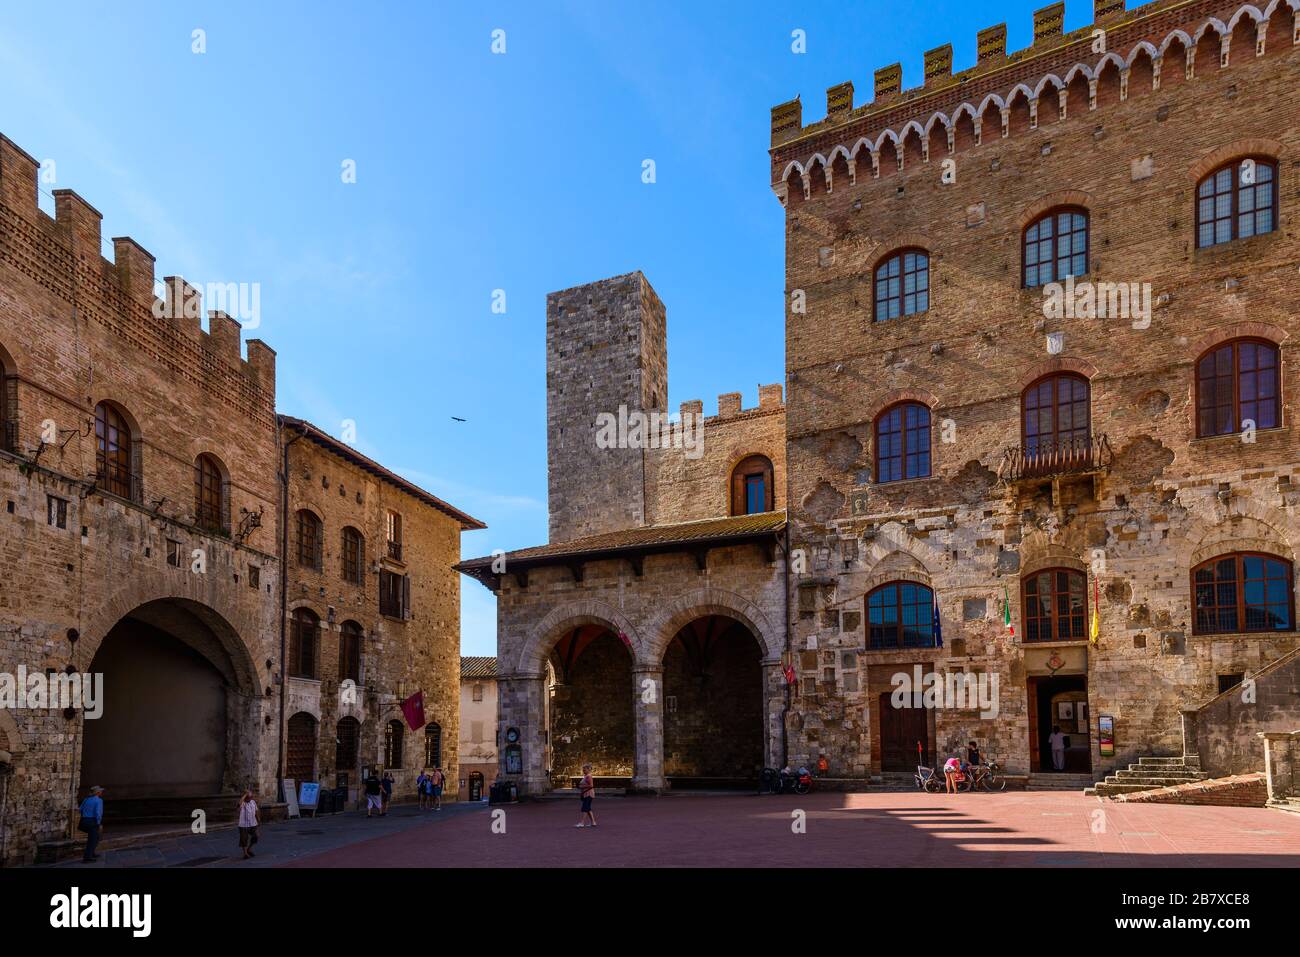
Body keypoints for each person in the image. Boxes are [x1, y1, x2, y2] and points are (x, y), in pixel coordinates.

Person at [78, 785, 104, 863]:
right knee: (93, 839)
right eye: (100, 791)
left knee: (94, 837)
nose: (101, 792)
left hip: (84, 821)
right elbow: (98, 813)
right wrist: (98, 823)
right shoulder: (99, 800)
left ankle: (92, 853)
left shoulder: (86, 800)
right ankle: (87, 858)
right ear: (98, 792)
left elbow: (80, 809)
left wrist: (86, 814)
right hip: (92, 821)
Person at [237, 789, 260, 859]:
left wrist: (258, 819)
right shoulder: (242, 803)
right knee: (244, 839)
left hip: (253, 823)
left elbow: (256, 811)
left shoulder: (253, 802)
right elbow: (239, 804)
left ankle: (249, 849)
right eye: (249, 797)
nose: (250, 798)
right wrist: (245, 795)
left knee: (256, 836)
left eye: (251, 797)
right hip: (243, 824)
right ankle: (245, 854)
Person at [576, 763, 597, 828]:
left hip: (588, 794)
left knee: (585, 808)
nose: (583, 770)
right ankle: (593, 822)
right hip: (585, 794)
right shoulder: (586, 776)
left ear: (588, 769)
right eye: (583, 769)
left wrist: (582, 786)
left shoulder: (589, 776)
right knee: (588, 808)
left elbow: (591, 785)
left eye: (584, 769)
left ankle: (582, 822)